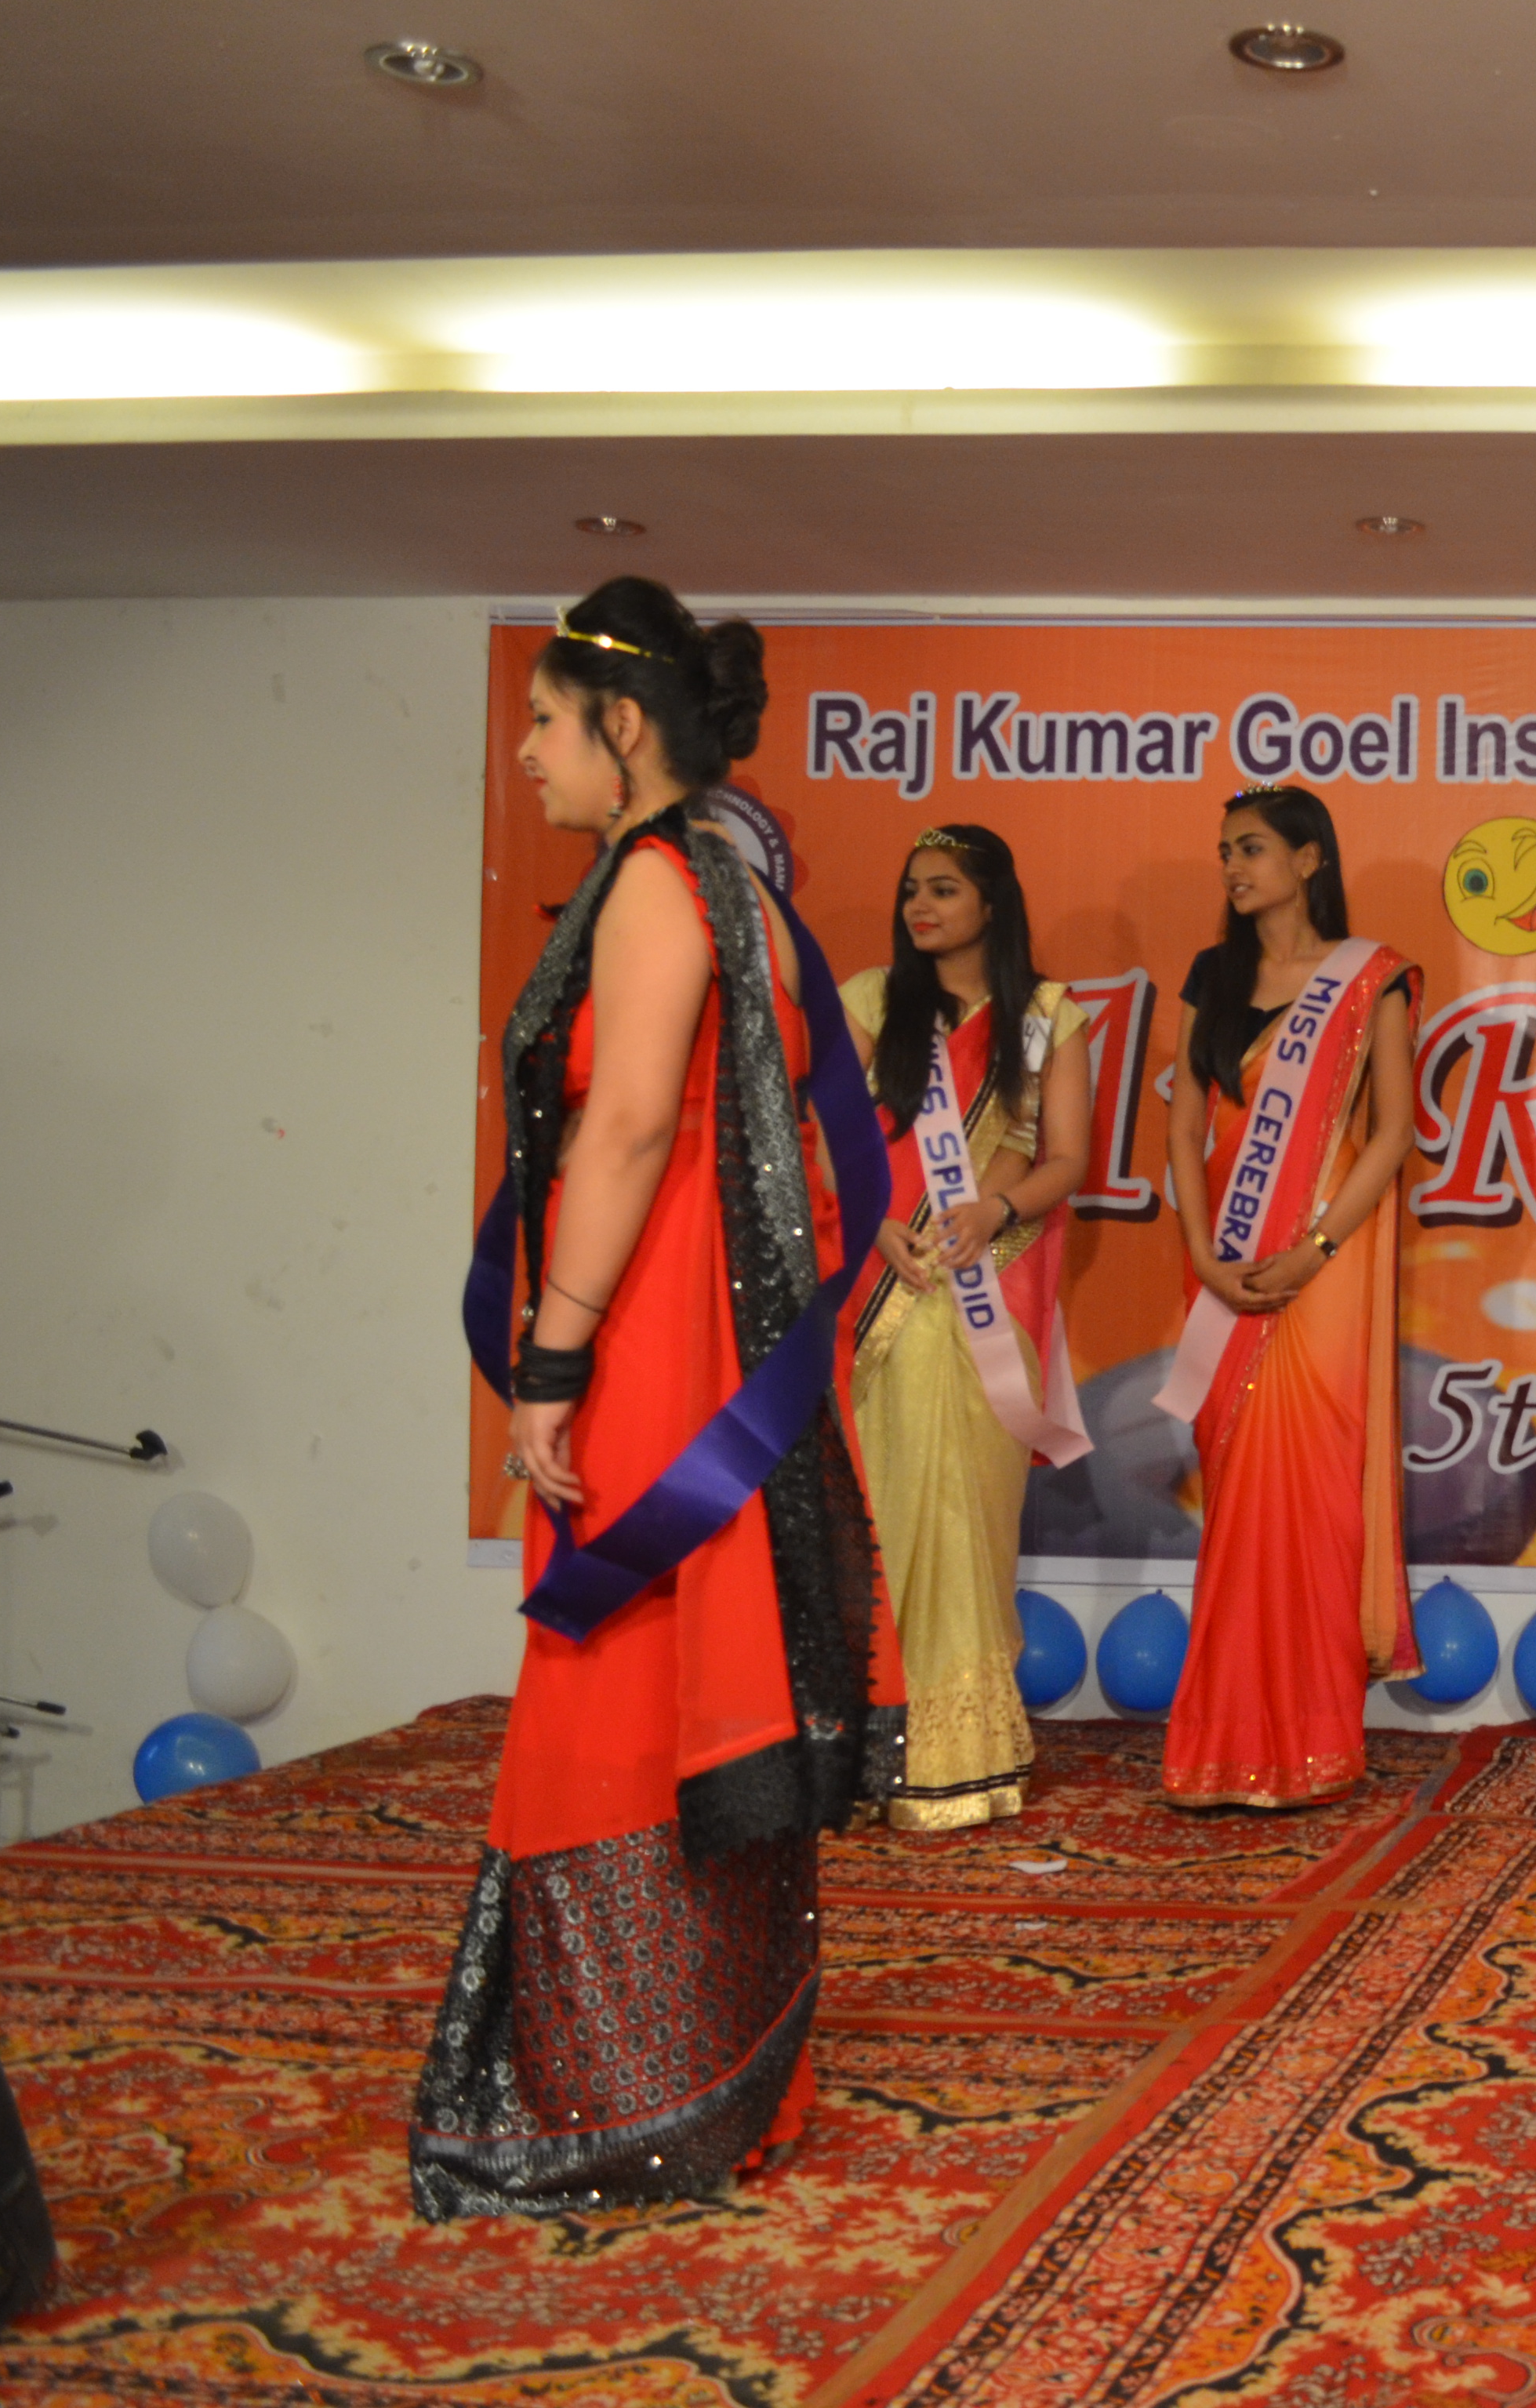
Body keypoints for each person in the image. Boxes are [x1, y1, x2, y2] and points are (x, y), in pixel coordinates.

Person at [418, 576, 903, 2218]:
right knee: (694, 1677)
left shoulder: (651, 880)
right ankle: (711, 2074)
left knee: (613, 1681)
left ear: (623, 727)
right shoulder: (740, 884)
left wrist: (551, 1364)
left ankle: (617, 2097)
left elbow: (625, 1127)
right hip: (710, 1335)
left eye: (547, 724)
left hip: (653, 1342)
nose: (529, 756)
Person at [1160, 785, 1422, 1807]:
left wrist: (1314, 1250)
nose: (1233, 866)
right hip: (1225, 1263)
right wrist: (1202, 1252)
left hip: (1322, 1267)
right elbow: (1185, 1128)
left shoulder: (1372, 979)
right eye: (1226, 850)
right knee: (1235, 1498)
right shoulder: (1213, 977)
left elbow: (1391, 1133)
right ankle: (1223, 1744)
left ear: (1309, 859)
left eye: (1254, 848)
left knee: (1310, 1499)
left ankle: (1310, 1743)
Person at [841, 825, 1094, 1833]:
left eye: (944, 888)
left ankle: (964, 1753)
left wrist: (995, 1210)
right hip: (884, 1290)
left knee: (969, 1520)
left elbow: (1065, 1157)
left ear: (993, 902)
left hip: (992, 1288)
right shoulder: (872, 1002)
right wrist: (875, 1223)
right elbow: (827, 1138)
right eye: (912, 887)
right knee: (883, 1512)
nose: (921, 905)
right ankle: (867, 1750)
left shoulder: (1044, 1017)